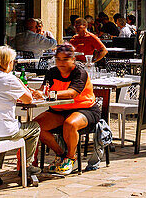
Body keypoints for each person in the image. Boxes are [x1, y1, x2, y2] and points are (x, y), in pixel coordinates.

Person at [0, 46, 43, 186]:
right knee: (34, 127)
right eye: (13, 61)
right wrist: (19, 82)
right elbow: (29, 100)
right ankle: (26, 166)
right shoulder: (9, 79)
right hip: (4, 130)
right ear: (8, 62)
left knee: (1, 130)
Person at [35, 44, 102, 175]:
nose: (61, 63)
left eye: (65, 59)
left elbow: (72, 93)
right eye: (58, 59)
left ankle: (71, 157)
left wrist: (49, 94)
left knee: (70, 124)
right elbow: (43, 89)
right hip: (59, 110)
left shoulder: (80, 73)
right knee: (36, 126)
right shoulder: (52, 72)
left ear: (73, 60)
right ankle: (60, 154)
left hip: (85, 109)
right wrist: (35, 93)